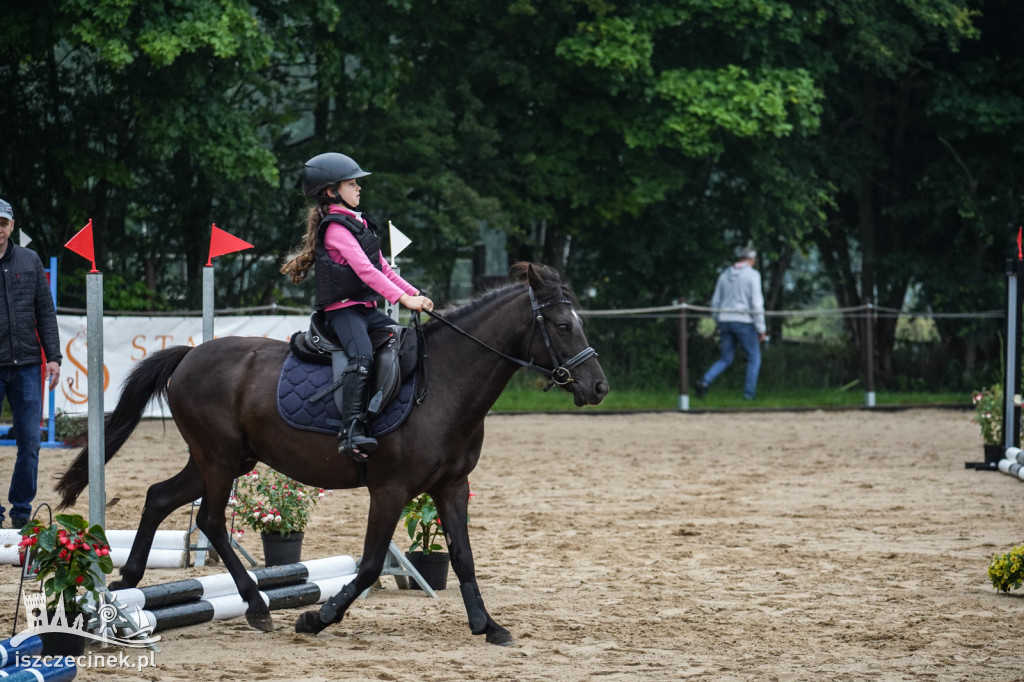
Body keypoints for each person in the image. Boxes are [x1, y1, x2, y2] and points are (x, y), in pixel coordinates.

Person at [281, 153, 433, 463]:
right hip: (342, 312)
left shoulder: (359, 224)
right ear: (330, 191)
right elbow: (366, 272)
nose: (358, 188)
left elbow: (385, 270)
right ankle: (350, 430)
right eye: (352, 184)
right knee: (362, 354)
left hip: (364, 309)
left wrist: (415, 292)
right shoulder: (337, 229)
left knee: (403, 341)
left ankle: (384, 412)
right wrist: (403, 300)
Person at [0, 197, 61, 528]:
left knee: (31, 441)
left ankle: (21, 512)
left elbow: (45, 312)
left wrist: (53, 356)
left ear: (11, 225)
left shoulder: (30, 260)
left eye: (2, 223)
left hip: (25, 364)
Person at [696, 245, 767, 401]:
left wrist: (718, 320)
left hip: (725, 320)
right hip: (744, 322)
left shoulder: (724, 274)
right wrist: (761, 329)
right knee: (754, 358)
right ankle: (749, 395)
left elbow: (715, 302)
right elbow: (756, 304)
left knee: (726, 358)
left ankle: (705, 381)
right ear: (752, 259)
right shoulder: (753, 276)